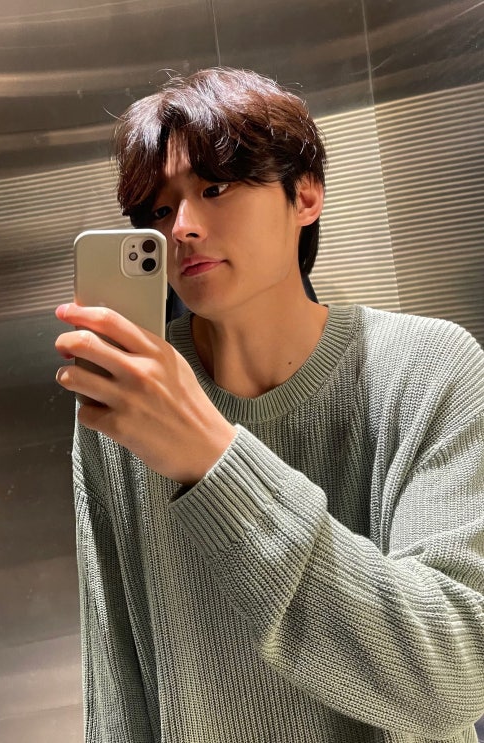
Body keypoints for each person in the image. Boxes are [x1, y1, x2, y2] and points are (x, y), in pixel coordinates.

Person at [54, 68, 484, 742]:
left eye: (214, 189)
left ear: (305, 194)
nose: (182, 228)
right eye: (159, 211)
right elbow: (116, 678)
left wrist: (214, 462)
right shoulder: (130, 396)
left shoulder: (428, 368)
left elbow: (452, 682)